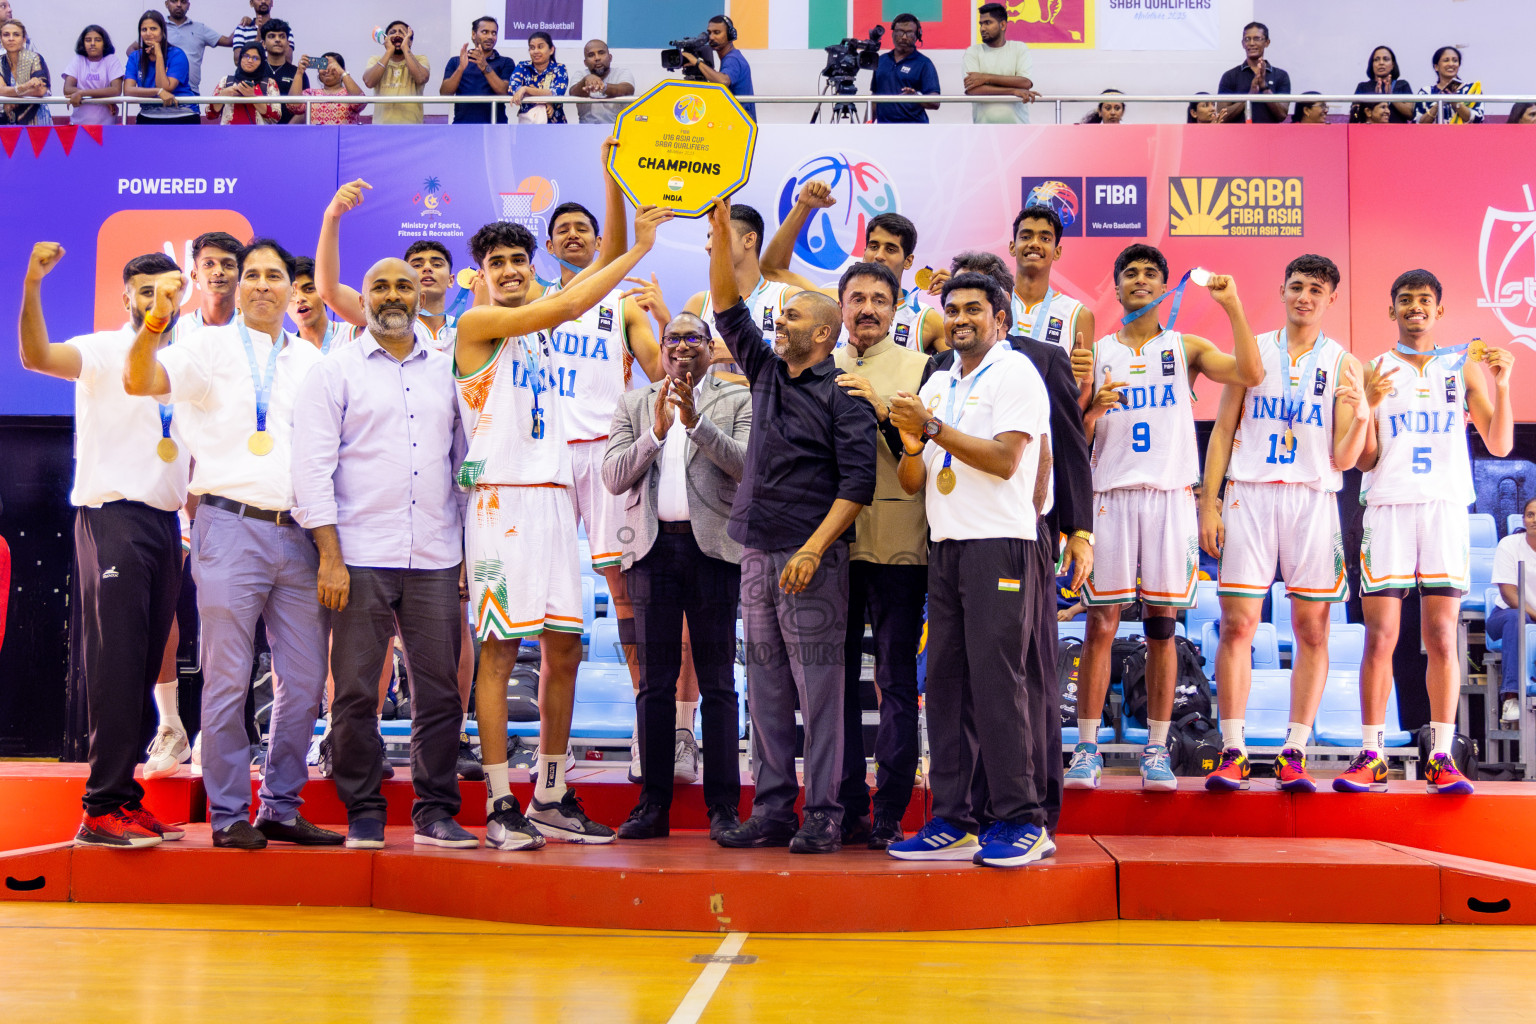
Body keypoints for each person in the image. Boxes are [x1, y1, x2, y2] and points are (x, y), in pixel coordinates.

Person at [454, 140, 673, 849]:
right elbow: (577, 296)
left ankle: (549, 790)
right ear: (480, 277)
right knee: (496, 653)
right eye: (498, 264)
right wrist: (636, 249)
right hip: (501, 502)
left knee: (568, 648)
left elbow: (583, 300)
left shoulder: (548, 328)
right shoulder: (477, 325)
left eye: (520, 261)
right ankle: (496, 802)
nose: (512, 272)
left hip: (550, 500)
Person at [123, 238, 342, 850]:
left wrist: (330, 546)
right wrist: (153, 325)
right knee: (226, 678)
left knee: (304, 682)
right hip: (228, 524)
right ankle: (227, 813)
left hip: (300, 534)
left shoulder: (313, 362)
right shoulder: (206, 346)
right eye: (253, 276)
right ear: (237, 286)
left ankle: (279, 804)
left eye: (277, 275)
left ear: (293, 287)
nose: (265, 285)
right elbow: (142, 381)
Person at [704, 197, 877, 855]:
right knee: (767, 688)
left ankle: (825, 814)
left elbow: (856, 488)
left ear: (825, 333)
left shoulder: (847, 395)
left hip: (814, 561)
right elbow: (727, 306)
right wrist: (722, 233)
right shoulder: (767, 372)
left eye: (795, 315)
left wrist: (811, 549)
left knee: (820, 692)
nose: (782, 322)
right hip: (756, 551)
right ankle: (774, 808)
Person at [291, 257, 477, 850]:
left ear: (422, 293)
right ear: (362, 297)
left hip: (436, 553)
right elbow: (312, 470)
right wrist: (329, 555)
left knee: (441, 690)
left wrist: (471, 553)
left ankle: (436, 809)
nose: (394, 295)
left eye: (404, 284)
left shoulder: (450, 368)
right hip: (359, 555)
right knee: (353, 691)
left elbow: (463, 464)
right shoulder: (333, 371)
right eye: (380, 286)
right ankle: (365, 808)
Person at [1069, 245, 1261, 792]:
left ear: (1163, 287)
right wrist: (1095, 411)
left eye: (1151, 274)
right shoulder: (1096, 352)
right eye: (1129, 273)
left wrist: (1232, 306)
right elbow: (1076, 438)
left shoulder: (1187, 347)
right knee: (1100, 625)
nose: (1140, 280)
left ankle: (1155, 747)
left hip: (1171, 498)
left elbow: (1250, 370)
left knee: (1161, 627)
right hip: (1109, 494)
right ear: (1117, 286)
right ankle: (1086, 749)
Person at [19, 243, 190, 848]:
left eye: (168, 291)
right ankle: (100, 809)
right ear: (127, 298)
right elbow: (36, 355)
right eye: (145, 292)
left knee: (144, 664)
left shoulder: (191, 360)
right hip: (111, 514)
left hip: (165, 524)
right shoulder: (100, 348)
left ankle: (124, 797)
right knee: (116, 663)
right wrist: (34, 284)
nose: (157, 301)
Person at [884, 271, 1054, 867]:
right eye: (951, 308)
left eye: (973, 309)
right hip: (947, 545)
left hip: (1000, 544)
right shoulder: (939, 381)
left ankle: (1022, 819)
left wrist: (929, 427)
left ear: (999, 318)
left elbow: (1008, 462)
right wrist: (910, 442)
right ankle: (953, 819)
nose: (959, 317)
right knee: (948, 684)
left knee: (998, 682)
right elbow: (914, 482)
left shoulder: (1015, 373)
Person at [1198, 255, 1368, 793]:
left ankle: (1295, 748)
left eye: (1316, 289)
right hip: (1250, 493)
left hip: (1313, 499)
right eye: (1296, 286)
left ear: (1331, 299)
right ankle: (1234, 748)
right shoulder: (1256, 352)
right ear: (1281, 289)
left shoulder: (1344, 364)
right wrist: (1209, 502)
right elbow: (1222, 429)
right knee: (1238, 625)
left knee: (1313, 629)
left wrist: (1362, 414)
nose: (1304, 297)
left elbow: (1343, 457)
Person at [943, 248, 1094, 839]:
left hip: (1025, 532)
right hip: (960, 532)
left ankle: (1037, 811)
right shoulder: (943, 369)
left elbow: (1069, 449)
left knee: (1025, 675)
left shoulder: (1042, 360)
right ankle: (972, 813)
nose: (964, 311)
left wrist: (1077, 529)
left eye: (979, 296)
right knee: (966, 678)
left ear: (1001, 306)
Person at [1347, 269, 1512, 795]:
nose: (1414, 307)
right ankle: (1371, 753)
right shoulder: (1372, 369)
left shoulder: (1461, 368)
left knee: (1441, 635)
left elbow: (1501, 442)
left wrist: (1503, 384)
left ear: (1439, 310)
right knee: (1382, 636)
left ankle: (1441, 754)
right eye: (1404, 300)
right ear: (1390, 310)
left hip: (1442, 508)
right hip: (1389, 507)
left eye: (1424, 300)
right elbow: (1366, 459)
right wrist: (1368, 408)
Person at [603, 312, 750, 840]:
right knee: (655, 687)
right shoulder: (635, 403)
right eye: (673, 338)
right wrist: (657, 431)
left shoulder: (737, 400)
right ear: (661, 347)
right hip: (652, 554)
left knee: (718, 686)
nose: (682, 346)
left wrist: (695, 424)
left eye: (694, 338)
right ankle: (653, 806)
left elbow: (744, 465)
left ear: (711, 347)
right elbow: (614, 475)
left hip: (713, 553)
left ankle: (724, 809)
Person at [537, 203, 661, 699]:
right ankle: (554, 744)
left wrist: (670, 319)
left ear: (597, 243)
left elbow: (658, 372)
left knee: (626, 594)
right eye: (561, 230)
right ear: (547, 248)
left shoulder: (624, 305)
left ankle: (645, 720)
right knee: (549, 597)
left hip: (608, 457)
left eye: (582, 229)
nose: (572, 235)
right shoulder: (533, 301)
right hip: (548, 459)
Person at [828, 261, 933, 850]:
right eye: (856, 298)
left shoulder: (922, 368)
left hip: (899, 546)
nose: (867, 308)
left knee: (895, 683)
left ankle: (890, 808)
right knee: (835, 683)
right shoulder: (817, 365)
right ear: (840, 307)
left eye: (879, 298)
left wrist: (876, 405)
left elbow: (924, 456)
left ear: (896, 309)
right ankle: (843, 805)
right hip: (833, 549)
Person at [762, 182, 946, 355]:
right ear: (864, 252)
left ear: (908, 261)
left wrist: (959, 292)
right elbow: (771, 270)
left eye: (890, 249)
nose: (879, 255)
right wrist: (803, 206)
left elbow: (965, 371)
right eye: (873, 246)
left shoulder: (925, 319)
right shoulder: (834, 301)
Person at [684, 204, 797, 380]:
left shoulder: (788, 298)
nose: (707, 246)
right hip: (707, 406)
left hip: (767, 405)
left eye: (719, 235)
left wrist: (736, 357)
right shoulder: (699, 303)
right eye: (708, 236)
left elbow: (803, 368)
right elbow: (679, 368)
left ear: (749, 240)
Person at [1489, 498, 1536, 723]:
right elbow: (1509, 594)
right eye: (1530, 514)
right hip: (1505, 616)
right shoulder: (1509, 544)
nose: (1534, 520)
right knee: (1519, 619)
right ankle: (1512, 697)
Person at [963, 3, 1036, 124]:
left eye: (988, 23)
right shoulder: (973, 51)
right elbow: (973, 90)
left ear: (1002, 25)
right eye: (981, 24)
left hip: (1019, 128)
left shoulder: (1019, 48)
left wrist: (986, 78)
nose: (982, 28)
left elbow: (1025, 82)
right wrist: (1013, 91)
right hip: (983, 130)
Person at [123, 10, 197, 125]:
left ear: (163, 31)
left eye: (153, 29)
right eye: (144, 29)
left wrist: (158, 54)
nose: (148, 33)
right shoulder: (135, 57)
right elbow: (128, 90)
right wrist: (158, 91)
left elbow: (166, 88)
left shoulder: (177, 54)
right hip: (148, 115)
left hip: (182, 113)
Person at [440, 15, 514, 125]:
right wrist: (461, 68)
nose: (490, 36)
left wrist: (485, 66)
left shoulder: (506, 62)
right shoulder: (456, 61)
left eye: (494, 33)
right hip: (463, 126)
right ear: (474, 34)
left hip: (496, 126)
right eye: (485, 32)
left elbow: (504, 92)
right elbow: (445, 93)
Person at [870, 13, 939, 125]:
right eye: (899, 32)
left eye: (909, 33)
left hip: (914, 130)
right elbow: (874, 99)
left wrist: (916, 97)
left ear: (917, 35)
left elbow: (935, 102)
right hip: (883, 130)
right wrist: (865, 126)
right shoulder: (881, 61)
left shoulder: (924, 63)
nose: (903, 37)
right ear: (892, 34)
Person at [682, 15, 753, 120]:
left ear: (730, 35)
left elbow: (723, 81)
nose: (711, 37)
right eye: (709, 33)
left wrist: (697, 62)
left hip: (738, 124)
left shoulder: (733, 59)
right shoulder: (730, 58)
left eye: (717, 32)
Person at [1216, 21, 1289, 124]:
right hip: (1238, 136)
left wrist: (1264, 87)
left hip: (1270, 137)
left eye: (1257, 38)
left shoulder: (1281, 76)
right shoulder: (1230, 76)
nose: (1251, 43)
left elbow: (1282, 115)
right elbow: (1222, 116)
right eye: (1247, 39)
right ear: (1243, 44)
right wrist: (1250, 95)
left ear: (1267, 42)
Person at [363, 20, 429, 125]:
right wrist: (389, 51)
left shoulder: (420, 59)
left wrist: (405, 47)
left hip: (412, 128)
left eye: (402, 32)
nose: (397, 34)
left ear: (410, 41)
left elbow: (421, 78)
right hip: (381, 128)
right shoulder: (375, 60)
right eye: (392, 32)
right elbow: (369, 82)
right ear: (385, 39)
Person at [164, 0, 230, 95]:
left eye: (183, 2)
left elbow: (228, 41)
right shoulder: (158, 27)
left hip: (190, 92)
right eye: (174, 1)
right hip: (162, 92)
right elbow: (135, 49)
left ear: (188, 5)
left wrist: (245, 25)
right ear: (166, 4)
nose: (179, 5)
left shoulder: (200, 28)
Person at [62, 25, 124, 126]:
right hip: (78, 126)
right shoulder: (78, 60)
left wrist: (82, 93)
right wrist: (103, 98)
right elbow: (67, 89)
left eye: (98, 40)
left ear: (104, 43)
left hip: (107, 127)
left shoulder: (111, 60)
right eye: (88, 40)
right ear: (83, 43)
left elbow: (116, 90)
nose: (92, 44)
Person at [207, 43, 279, 125]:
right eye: (246, 56)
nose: (250, 61)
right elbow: (210, 114)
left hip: (258, 136)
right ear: (240, 58)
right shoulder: (226, 81)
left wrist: (252, 97)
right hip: (229, 136)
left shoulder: (269, 83)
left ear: (262, 61)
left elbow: (275, 118)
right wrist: (224, 94)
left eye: (255, 58)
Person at [570, 39, 634, 125]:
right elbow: (573, 92)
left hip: (617, 129)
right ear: (585, 63)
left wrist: (603, 86)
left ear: (610, 57)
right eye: (591, 55)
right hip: (586, 130)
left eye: (601, 53)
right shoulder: (581, 74)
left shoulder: (622, 72)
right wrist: (586, 80)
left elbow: (627, 90)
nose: (597, 58)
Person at [509, 31, 568, 124]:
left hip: (555, 124)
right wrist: (545, 101)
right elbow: (513, 89)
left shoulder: (559, 68)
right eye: (532, 48)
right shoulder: (522, 66)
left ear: (551, 50)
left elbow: (556, 93)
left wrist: (525, 89)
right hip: (528, 124)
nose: (535, 51)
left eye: (540, 47)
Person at [289, 51, 363, 125]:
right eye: (323, 66)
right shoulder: (311, 94)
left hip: (344, 136)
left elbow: (360, 104)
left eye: (331, 66)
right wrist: (299, 72)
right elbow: (293, 106)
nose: (327, 70)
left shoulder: (349, 94)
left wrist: (342, 72)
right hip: (316, 136)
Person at [1416, 46, 1483, 125]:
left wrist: (1454, 102)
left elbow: (1477, 119)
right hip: (1435, 136)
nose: (1451, 64)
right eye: (1446, 60)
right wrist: (1439, 103)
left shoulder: (1471, 89)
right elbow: (1418, 124)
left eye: (1455, 60)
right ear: (1436, 67)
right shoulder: (1426, 92)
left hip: (1465, 136)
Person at [0, 17, 48, 125]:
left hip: (36, 120)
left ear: (24, 39)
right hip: (10, 122)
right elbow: (0, 90)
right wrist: (25, 87)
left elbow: (40, 90)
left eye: (16, 35)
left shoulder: (35, 58)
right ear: (1, 39)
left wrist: (10, 98)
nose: (11, 38)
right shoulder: (0, 62)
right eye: (6, 35)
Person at [258, 19, 304, 123]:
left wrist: (287, 130)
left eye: (282, 36)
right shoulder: (255, 70)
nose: (277, 40)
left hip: (290, 133)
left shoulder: (298, 73)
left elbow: (305, 108)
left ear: (288, 43)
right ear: (263, 44)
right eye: (272, 36)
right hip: (258, 131)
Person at [1352, 45, 1414, 124]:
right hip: (1370, 132)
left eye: (1386, 59)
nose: (1381, 63)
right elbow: (1355, 115)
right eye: (1376, 60)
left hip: (1398, 133)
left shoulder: (1402, 84)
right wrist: (1376, 99)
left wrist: (1390, 97)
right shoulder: (1363, 86)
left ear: (1392, 65)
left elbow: (1410, 114)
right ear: (1372, 64)